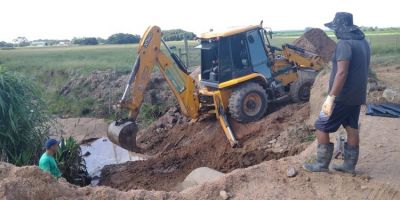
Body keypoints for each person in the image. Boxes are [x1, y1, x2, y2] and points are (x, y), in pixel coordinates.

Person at [303, 12, 370, 174]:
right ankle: (348, 166)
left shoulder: (344, 45)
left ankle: (321, 164)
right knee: (351, 127)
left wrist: (331, 97)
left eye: (336, 28)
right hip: (357, 95)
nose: (335, 32)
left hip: (341, 96)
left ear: (341, 28)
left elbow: (342, 73)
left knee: (321, 126)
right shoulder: (364, 43)